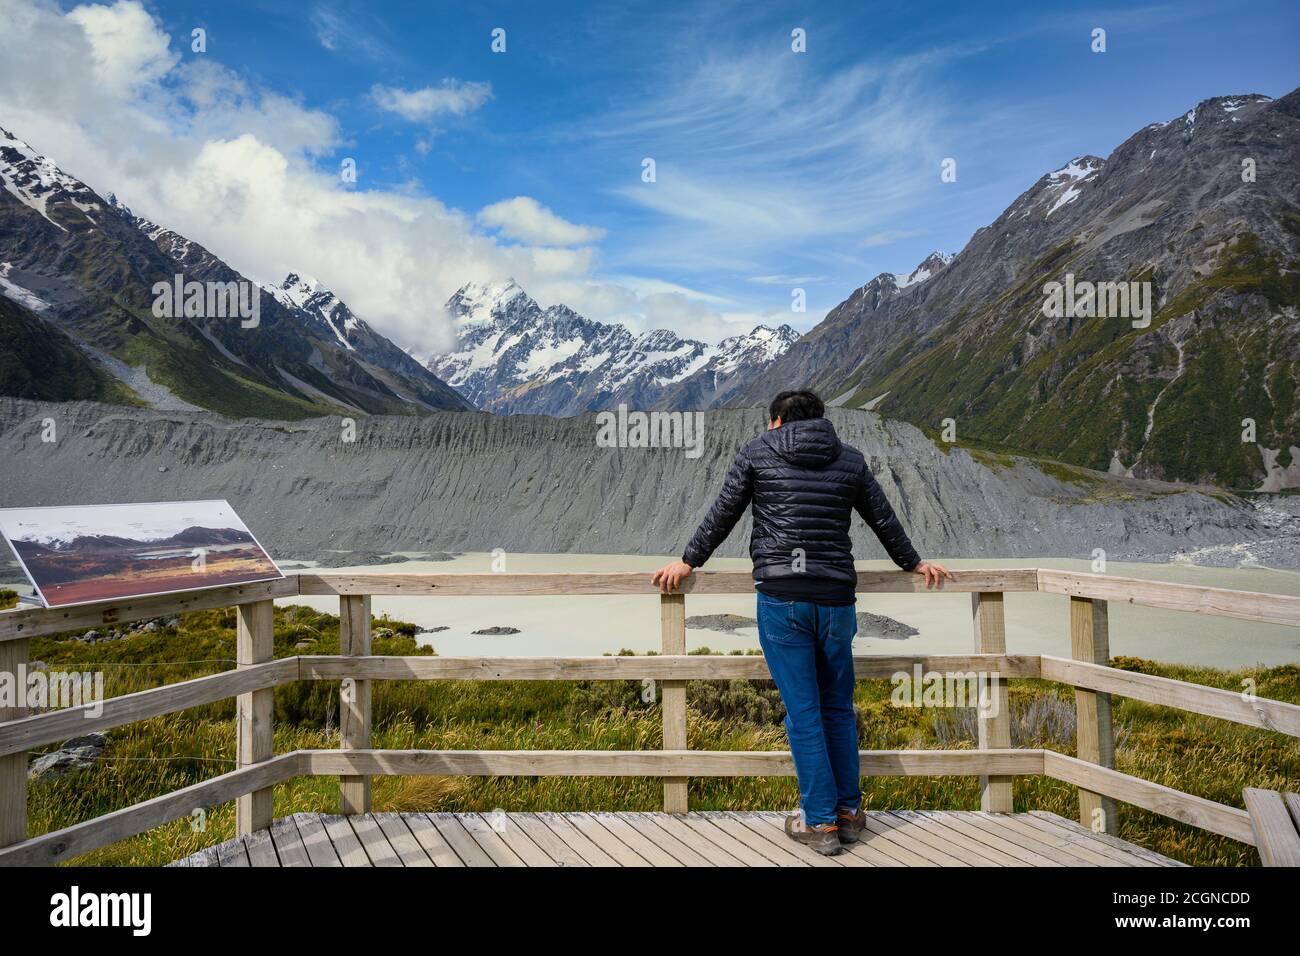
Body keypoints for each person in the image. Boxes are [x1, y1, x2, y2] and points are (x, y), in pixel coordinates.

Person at [651, 389, 950, 856]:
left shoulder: (756, 452)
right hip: (836, 600)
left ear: (775, 422)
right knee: (837, 708)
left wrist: (688, 562)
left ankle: (820, 822)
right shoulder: (849, 459)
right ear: (820, 421)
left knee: (804, 714)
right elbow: (882, 517)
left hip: (782, 599)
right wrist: (912, 562)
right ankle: (849, 813)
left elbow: (723, 513)